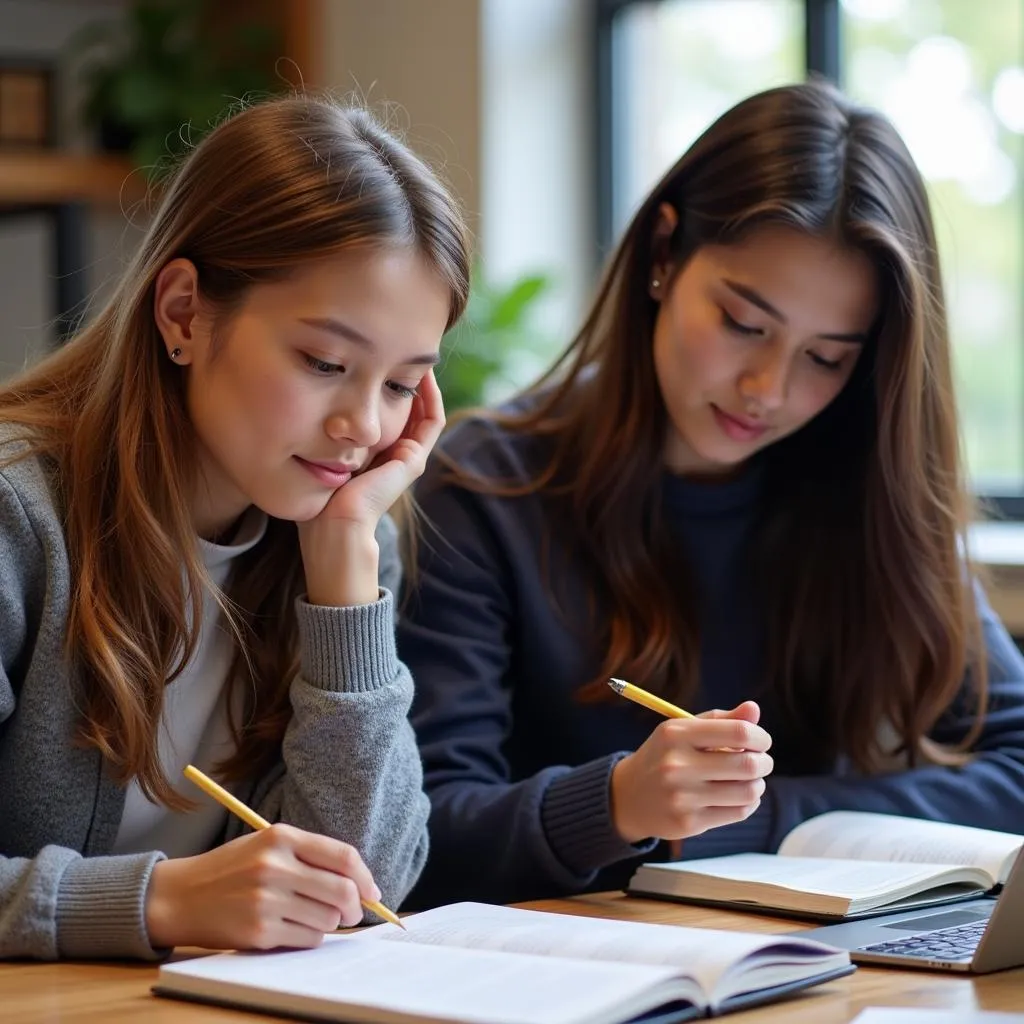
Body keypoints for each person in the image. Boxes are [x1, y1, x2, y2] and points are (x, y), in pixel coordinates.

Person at [397, 80, 1024, 909]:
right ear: (664, 254)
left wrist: (764, 817)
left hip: (797, 966)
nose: (767, 389)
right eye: (743, 323)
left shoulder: (867, 495)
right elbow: (424, 833)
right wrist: (616, 805)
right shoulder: (484, 489)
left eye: (827, 358)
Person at [0, 94, 470, 960]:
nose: (365, 427)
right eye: (325, 363)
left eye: (402, 384)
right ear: (183, 313)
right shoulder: (17, 519)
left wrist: (343, 593)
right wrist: (155, 901)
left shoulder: (344, 535)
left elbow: (364, 888)